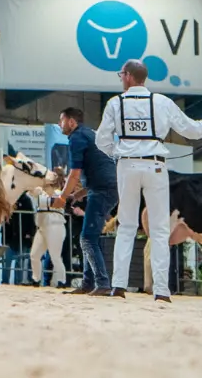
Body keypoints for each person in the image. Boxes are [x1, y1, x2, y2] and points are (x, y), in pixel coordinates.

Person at [96, 59, 202, 301]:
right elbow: (191, 129)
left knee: (127, 226)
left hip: (127, 165)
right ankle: (161, 291)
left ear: (129, 76)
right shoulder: (162, 102)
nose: (121, 79)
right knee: (160, 229)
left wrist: (118, 153)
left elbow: (102, 140)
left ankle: (118, 285)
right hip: (156, 165)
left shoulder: (115, 103)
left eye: (122, 75)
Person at [55, 106, 115, 294]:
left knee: (87, 238)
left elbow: (74, 174)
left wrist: (62, 198)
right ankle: (88, 284)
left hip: (103, 189)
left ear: (71, 122)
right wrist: (77, 195)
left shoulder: (76, 138)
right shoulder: (90, 134)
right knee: (91, 237)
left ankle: (102, 284)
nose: (59, 124)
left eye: (61, 120)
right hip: (108, 187)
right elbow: (98, 172)